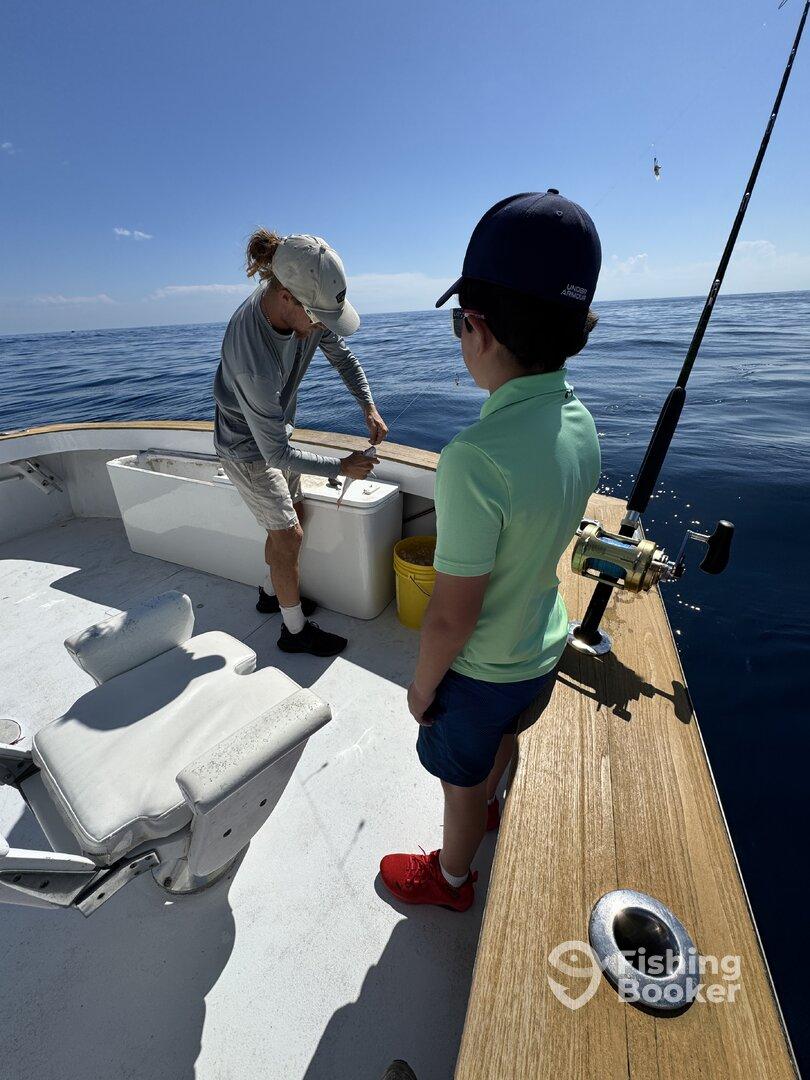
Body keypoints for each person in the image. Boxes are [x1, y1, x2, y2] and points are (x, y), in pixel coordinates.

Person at [379, 190, 602, 911]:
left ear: (478, 327)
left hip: (479, 678)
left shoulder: (473, 458)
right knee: (502, 745)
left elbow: (449, 617)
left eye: (458, 323)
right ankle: (494, 811)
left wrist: (420, 690)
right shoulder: (581, 423)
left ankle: (450, 878)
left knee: (459, 785)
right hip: (543, 653)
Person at [213, 231, 388, 657]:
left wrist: (368, 405)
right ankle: (293, 632)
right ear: (288, 298)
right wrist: (342, 467)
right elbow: (272, 453)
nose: (323, 327)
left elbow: (343, 356)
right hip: (247, 449)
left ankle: (272, 593)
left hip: (275, 435)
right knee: (288, 532)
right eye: (319, 317)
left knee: (296, 515)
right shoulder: (253, 358)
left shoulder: (305, 311)